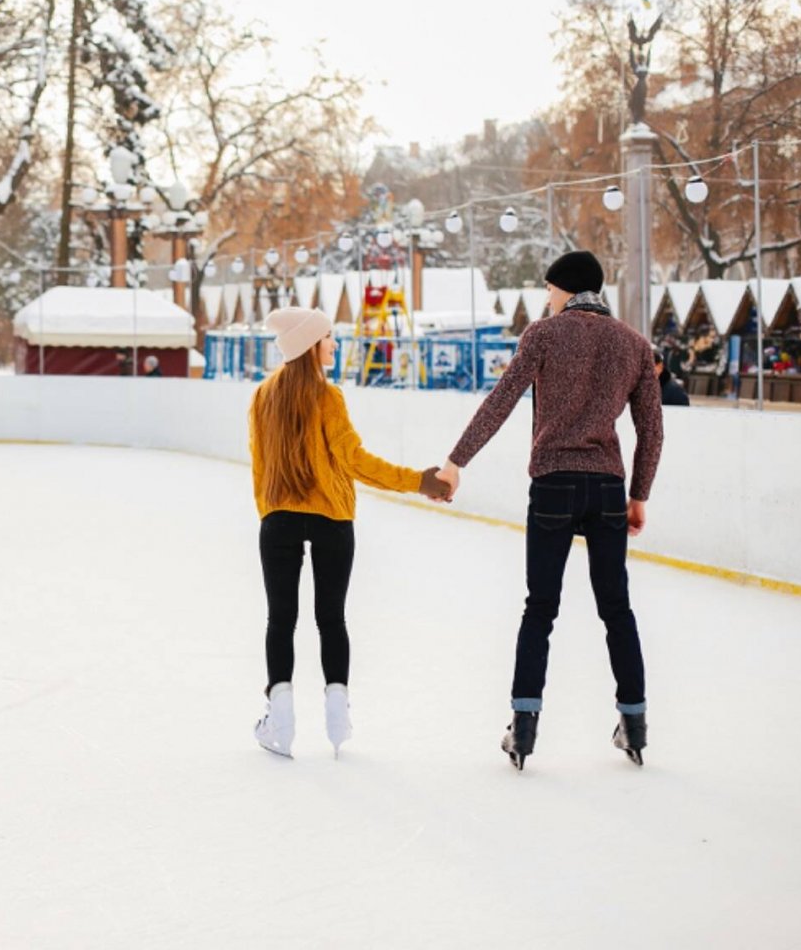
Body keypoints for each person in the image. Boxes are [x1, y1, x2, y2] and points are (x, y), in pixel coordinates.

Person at [436, 250, 663, 770]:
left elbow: (500, 400)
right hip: (607, 487)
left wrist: (455, 461)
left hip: (554, 486)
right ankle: (634, 722)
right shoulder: (634, 345)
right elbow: (652, 429)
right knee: (616, 608)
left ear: (566, 289)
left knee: (541, 607)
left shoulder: (543, 334)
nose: (547, 299)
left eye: (549, 291)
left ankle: (524, 725)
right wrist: (639, 495)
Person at [248, 306, 452, 758]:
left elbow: (259, 469)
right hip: (333, 521)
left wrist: (272, 513)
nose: (334, 345)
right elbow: (355, 461)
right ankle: (337, 710)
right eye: (328, 338)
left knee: (280, 620)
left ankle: (279, 718)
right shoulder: (328, 397)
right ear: (309, 346)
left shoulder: (262, 396)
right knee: (331, 618)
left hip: (278, 519)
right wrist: (417, 481)